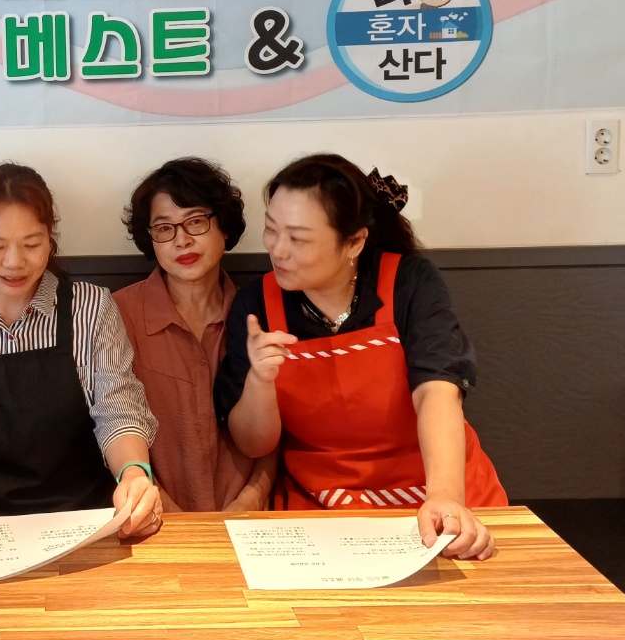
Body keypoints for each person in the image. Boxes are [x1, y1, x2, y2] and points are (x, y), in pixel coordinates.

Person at [215, 153, 506, 560]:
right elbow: (253, 443)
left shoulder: (409, 282)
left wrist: (446, 498)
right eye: (271, 230)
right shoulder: (256, 304)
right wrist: (260, 380)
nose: (277, 250)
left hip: (437, 492)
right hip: (322, 506)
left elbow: (438, 392)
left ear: (354, 241)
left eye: (298, 238)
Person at [0, 162, 162, 552]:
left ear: (50, 238)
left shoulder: (90, 306)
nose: (14, 262)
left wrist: (133, 474)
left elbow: (118, 410)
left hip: (85, 519)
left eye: (31, 244)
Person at [114, 158, 277, 513]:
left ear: (224, 227)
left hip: (250, 518)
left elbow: (281, 428)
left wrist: (253, 497)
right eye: (164, 228)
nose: (182, 240)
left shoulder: (259, 311)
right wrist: (164, 510)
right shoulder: (117, 314)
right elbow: (106, 425)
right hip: (152, 518)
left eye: (196, 221)